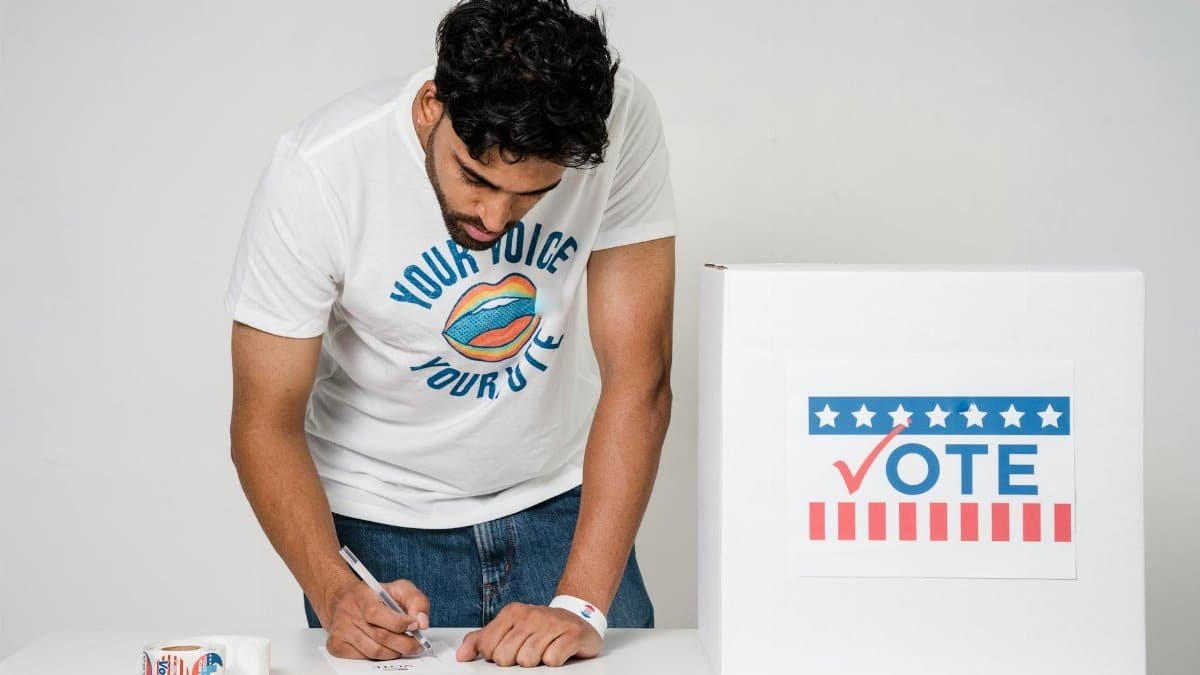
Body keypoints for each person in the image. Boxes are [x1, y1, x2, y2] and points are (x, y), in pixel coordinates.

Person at [224, 0, 676, 668]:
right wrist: (334, 590)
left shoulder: (618, 120)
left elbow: (641, 374)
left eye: (532, 195)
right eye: (475, 176)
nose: (495, 218)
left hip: (562, 505)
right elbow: (263, 420)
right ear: (433, 105)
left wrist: (581, 602)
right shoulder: (320, 171)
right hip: (380, 524)